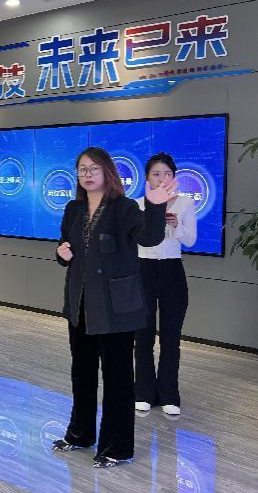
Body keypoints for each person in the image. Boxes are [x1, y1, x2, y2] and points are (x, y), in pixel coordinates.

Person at [52, 146, 174, 467]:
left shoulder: (125, 207)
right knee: (82, 374)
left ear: (107, 172)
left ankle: (116, 448)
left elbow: (150, 238)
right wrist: (61, 253)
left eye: (94, 168)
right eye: (82, 169)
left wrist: (156, 205)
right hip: (80, 305)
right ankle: (80, 434)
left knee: (117, 379)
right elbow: (66, 246)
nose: (87, 174)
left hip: (115, 308)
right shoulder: (73, 208)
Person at [134, 153, 196, 416]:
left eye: (167, 174)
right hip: (143, 269)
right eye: (156, 174)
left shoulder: (185, 203)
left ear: (174, 177)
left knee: (171, 338)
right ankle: (143, 392)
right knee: (143, 336)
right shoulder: (137, 205)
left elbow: (190, 240)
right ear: (147, 178)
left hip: (172, 270)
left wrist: (177, 225)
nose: (161, 179)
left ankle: (169, 394)